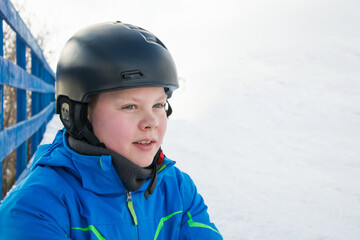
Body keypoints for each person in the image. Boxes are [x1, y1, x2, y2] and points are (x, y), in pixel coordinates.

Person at [0, 21, 222, 239]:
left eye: (158, 105)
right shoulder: (36, 208)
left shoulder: (177, 190)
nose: (151, 122)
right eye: (130, 106)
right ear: (78, 114)